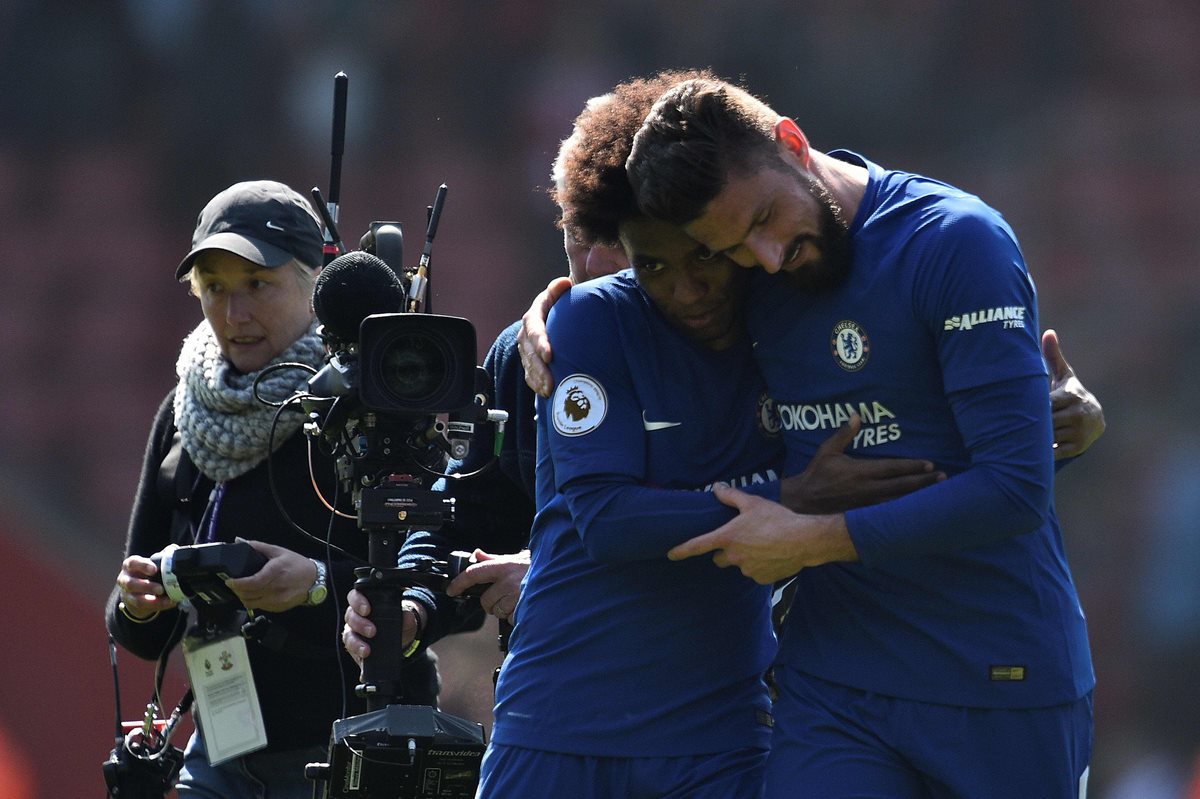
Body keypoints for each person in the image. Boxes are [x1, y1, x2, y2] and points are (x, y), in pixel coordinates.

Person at [473, 72, 957, 799]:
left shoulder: (789, 328)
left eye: (701, 255)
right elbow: (607, 518)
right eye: (653, 266)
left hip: (718, 738)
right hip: (561, 722)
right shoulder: (590, 324)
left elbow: (927, 434)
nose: (685, 288)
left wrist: (1058, 423)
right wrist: (788, 496)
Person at [623, 77, 1096, 797]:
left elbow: (1015, 488)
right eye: (737, 247)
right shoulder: (747, 281)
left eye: (766, 219)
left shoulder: (954, 241)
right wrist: (537, 323)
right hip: (837, 689)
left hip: (1001, 678)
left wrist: (815, 538)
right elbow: (610, 281)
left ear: (791, 142)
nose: (771, 257)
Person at [105, 180, 441, 798]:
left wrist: (315, 586)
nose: (234, 314)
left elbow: (432, 584)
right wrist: (138, 602)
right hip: (221, 751)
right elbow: (139, 632)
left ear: (317, 284)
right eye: (215, 289)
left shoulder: (372, 408)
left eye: (258, 285)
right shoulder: (183, 414)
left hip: (356, 753)